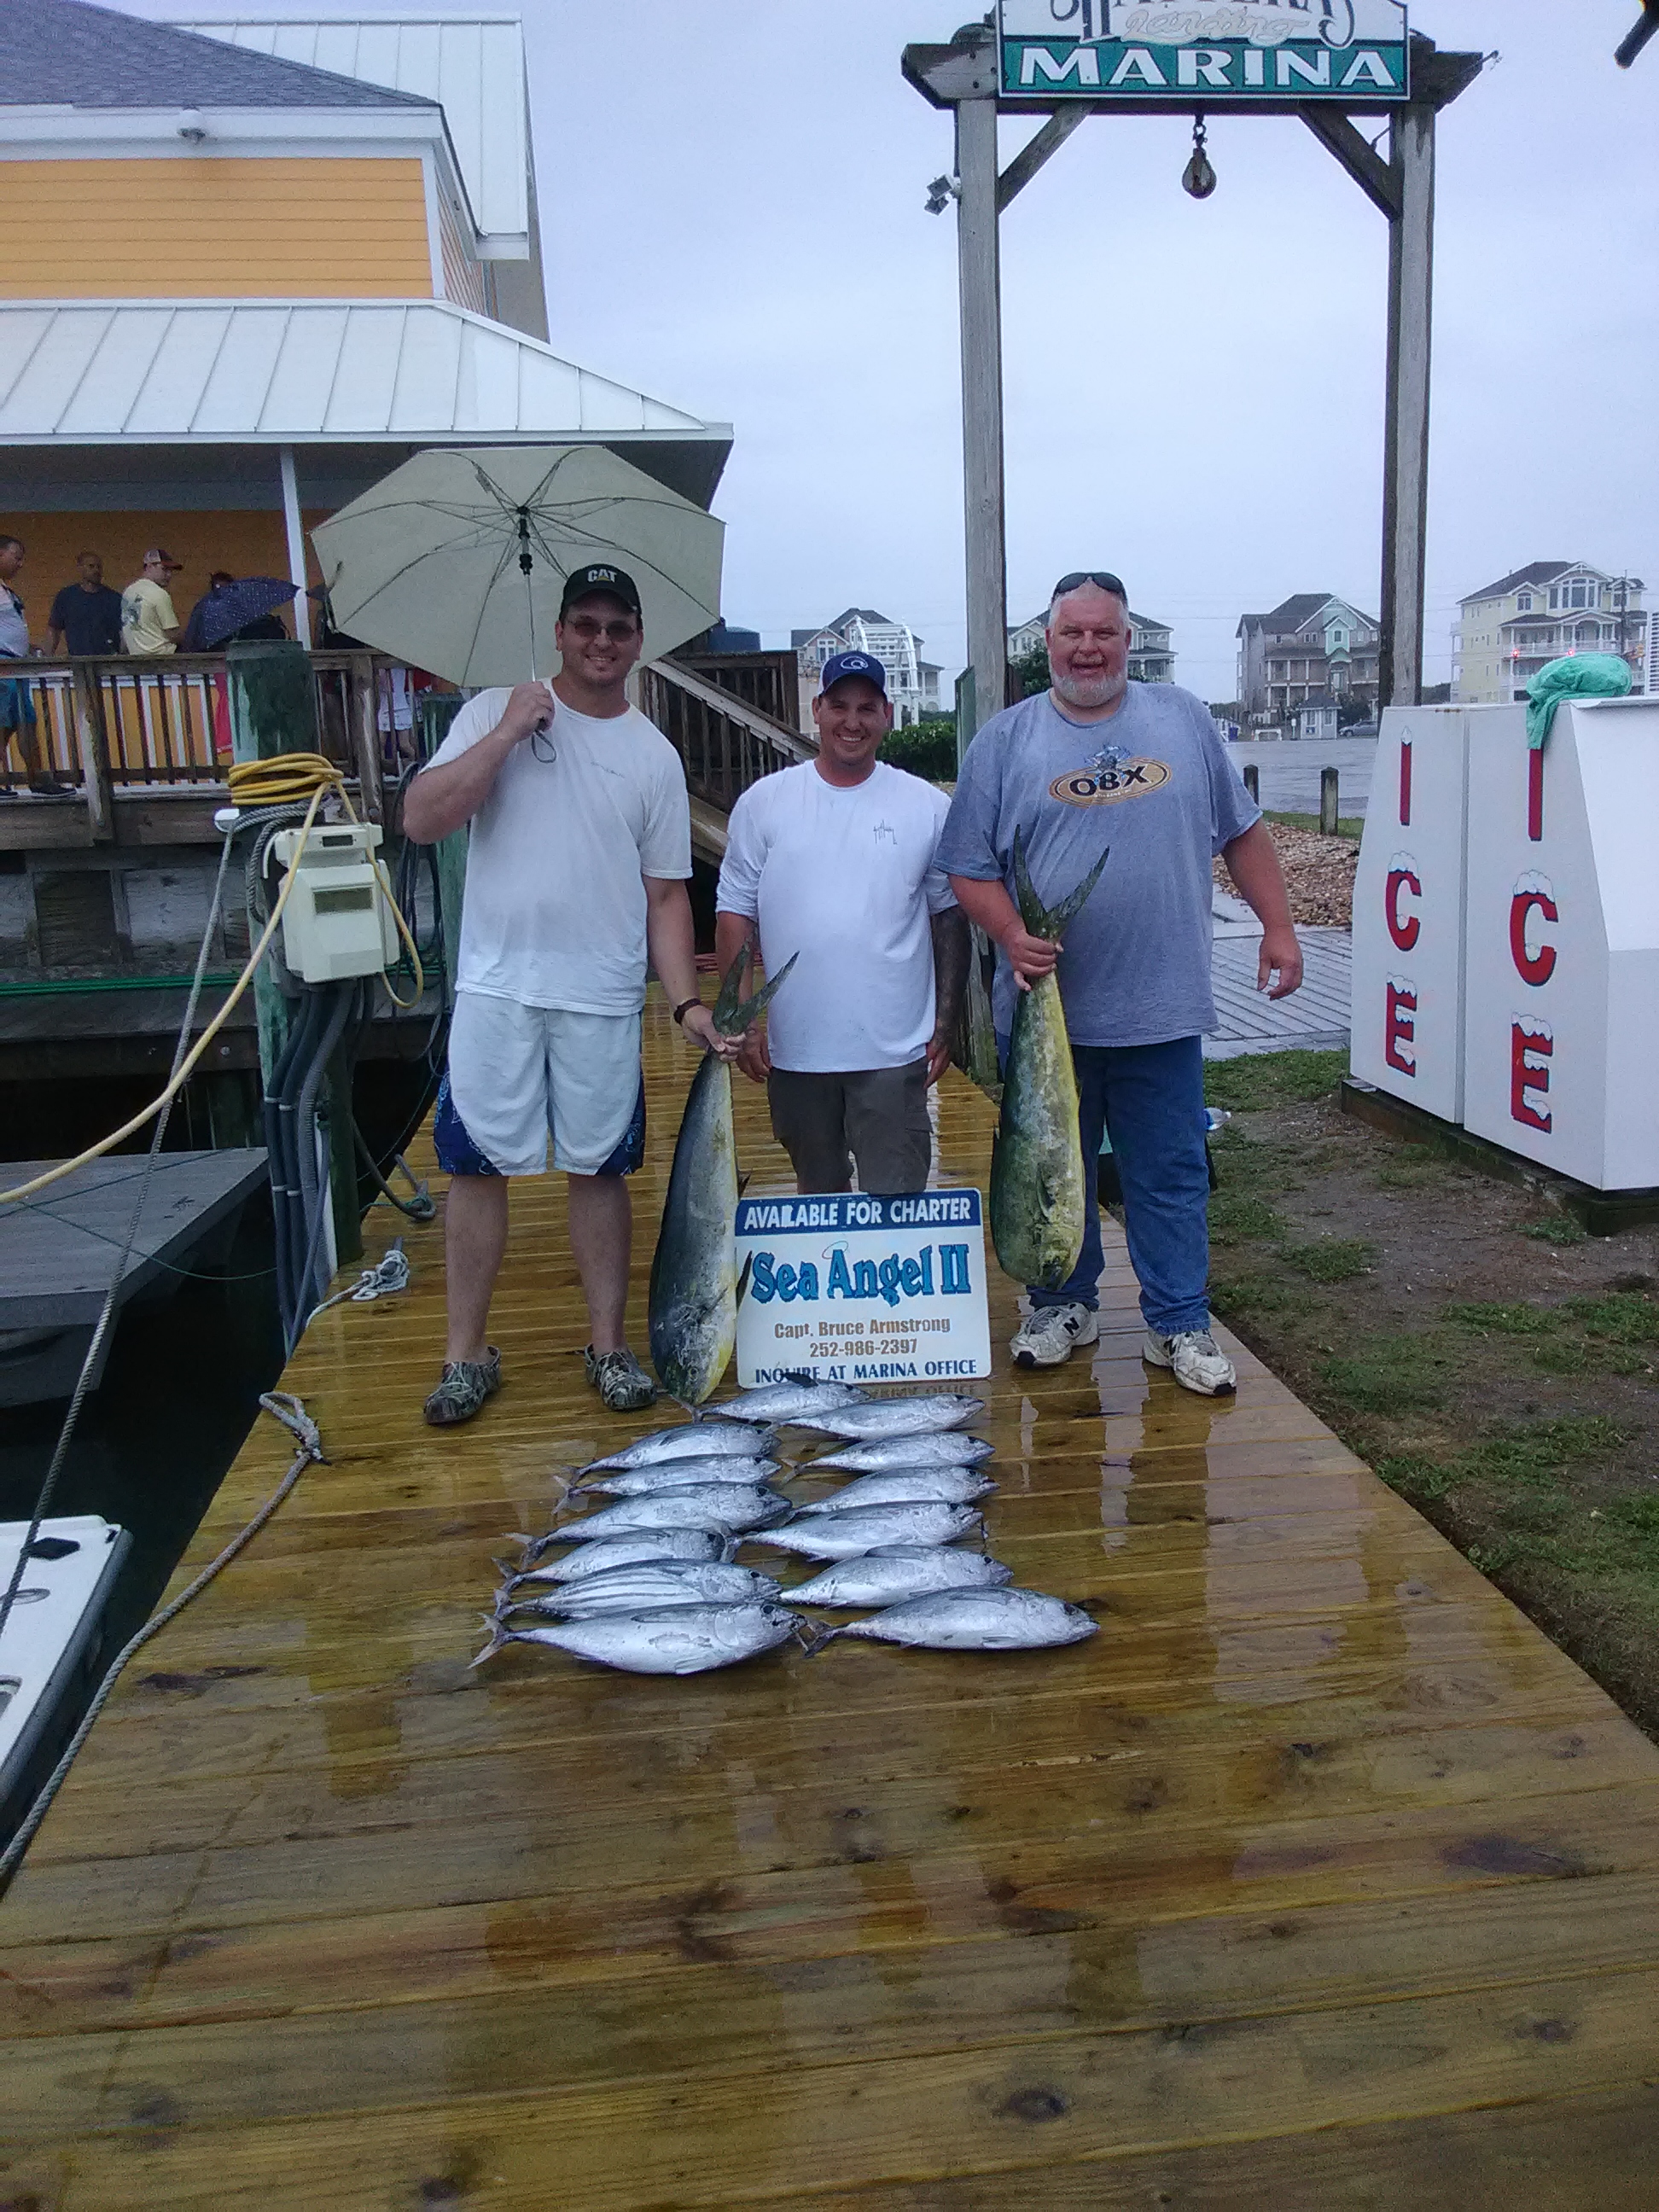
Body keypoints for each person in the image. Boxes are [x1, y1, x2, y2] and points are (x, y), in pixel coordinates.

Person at [939, 571, 1303, 1396]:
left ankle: (1177, 1321)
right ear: (1048, 641)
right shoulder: (1005, 739)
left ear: (1127, 639)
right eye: (1073, 633)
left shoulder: (1180, 718)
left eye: (1105, 632)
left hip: (1163, 1007)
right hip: (1044, 1018)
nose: (1089, 648)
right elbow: (966, 866)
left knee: (1169, 1171)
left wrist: (1278, 929)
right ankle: (1063, 1303)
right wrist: (1010, 935)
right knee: (1046, 1165)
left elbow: (1241, 834)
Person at [402, 563, 736, 1424]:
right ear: (559, 631)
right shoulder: (492, 712)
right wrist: (508, 732)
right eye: (584, 624)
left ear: (636, 639)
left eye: (617, 627)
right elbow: (422, 817)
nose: (600, 641)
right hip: (497, 989)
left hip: (599, 994)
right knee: (475, 1169)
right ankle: (463, 1357)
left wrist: (685, 1004)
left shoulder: (653, 755)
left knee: (600, 1168)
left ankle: (608, 1345)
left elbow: (668, 895)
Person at [713, 649, 968, 1195]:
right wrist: (743, 1019)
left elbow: (948, 917)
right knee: (817, 1197)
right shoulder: (765, 802)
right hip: (797, 1053)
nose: (853, 722)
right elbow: (736, 911)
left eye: (867, 708)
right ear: (817, 709)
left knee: (896, 1197)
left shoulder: (926, 805)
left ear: (887, 716)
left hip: (894, 1052)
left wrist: (946, 1024)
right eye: (840, 706)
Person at [0, 535, 69, 796]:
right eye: (16, 557)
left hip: (17, 664)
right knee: (4, 723)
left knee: (24, 722)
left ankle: (38, 779)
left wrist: (27, 648)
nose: (21, 564)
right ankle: (38, 779)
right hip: (3, 666)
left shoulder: (5, 589)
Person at [45, 551, 124, 658]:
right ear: (80, 568)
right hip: (77, 662)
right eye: (91, 566)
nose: (96, 570)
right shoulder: (66, 597)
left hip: (108, 662)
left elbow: (124, 632)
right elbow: (54, 629)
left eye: (99, 567)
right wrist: (48, 658)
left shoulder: (114, 599)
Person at [120, 549, 183, 655]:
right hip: (164, 659)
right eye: (164, 569)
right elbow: (173, 634)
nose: (169, 575)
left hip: (136, 659)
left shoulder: (128, 592)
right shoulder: (159, 593)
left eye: (171, 571)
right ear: (149, 567)